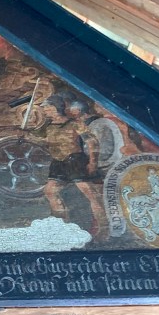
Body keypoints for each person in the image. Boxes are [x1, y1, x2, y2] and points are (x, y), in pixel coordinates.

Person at [39, 95, 105, 233]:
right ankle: (62, 226)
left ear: (55, 108)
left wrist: (93, 162)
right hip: (58, 163)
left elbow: (92, 142)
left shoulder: (74, 124)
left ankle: (103, 229)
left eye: (47, 108)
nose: (44, 111)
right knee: (50, 191)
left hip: (75, 161)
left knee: (90, 193)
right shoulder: (49, 126)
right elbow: (48, 142)